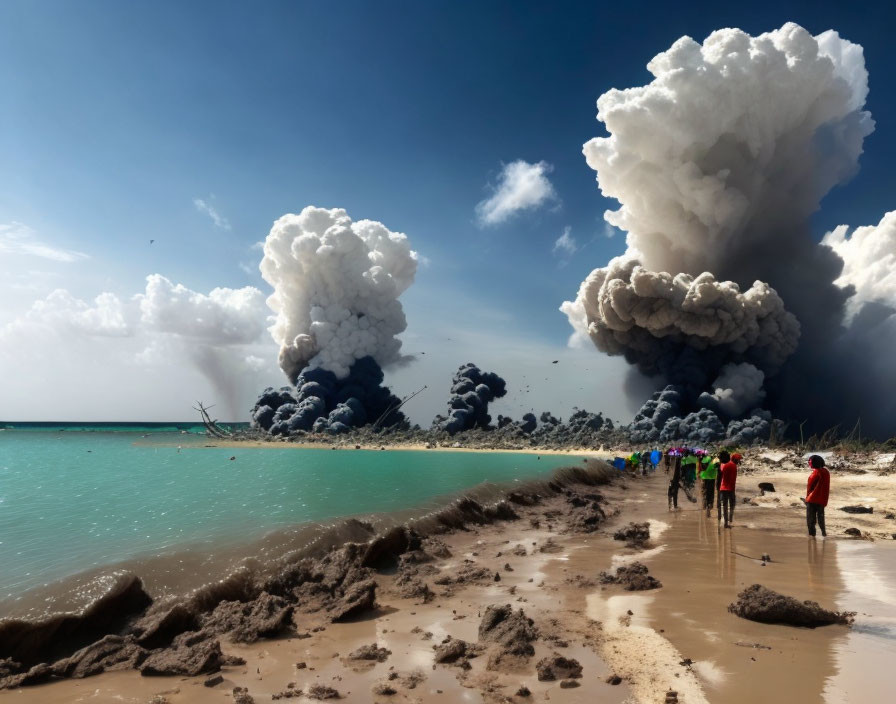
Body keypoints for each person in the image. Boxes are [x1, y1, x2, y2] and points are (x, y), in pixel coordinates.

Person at [806, 454, 830, 538]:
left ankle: (812, 537)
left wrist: (807, 499)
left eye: (810, 461)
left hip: (812, 499)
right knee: (821, 519)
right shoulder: (826, 472)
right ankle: (824, 534)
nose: (809, 463)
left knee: (810, 520)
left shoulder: (816, 473)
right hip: (822, 500)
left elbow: (810, 487)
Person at [718, 450, 737, 528]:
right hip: (731, 488)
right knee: (732, 504)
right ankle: (730, 519)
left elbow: (720, 477)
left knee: (725, 505)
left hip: (723, 488)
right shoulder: (733, 465)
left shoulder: (723, 466)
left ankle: (726, 522)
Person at [699, 451, 719, 517]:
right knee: (710, 493)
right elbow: (718, 467)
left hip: (704, 478)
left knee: (704, 492)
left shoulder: (702, 461)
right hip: (711, 480)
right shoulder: (713, 463)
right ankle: (709, 506)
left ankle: (704, 505)